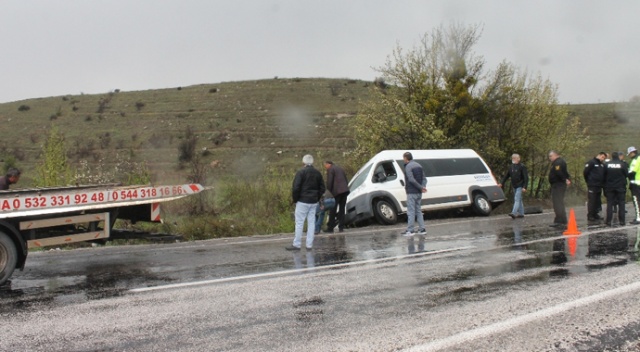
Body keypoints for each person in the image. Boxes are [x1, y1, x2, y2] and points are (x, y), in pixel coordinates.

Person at [287, 155, 326, 251]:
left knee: (299, 223)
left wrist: (295, 199)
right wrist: (317, 197)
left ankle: (297, 244)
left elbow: (296, 188)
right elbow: (322, 188)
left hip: (302, 201)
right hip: (313, 202)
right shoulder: (318, 173)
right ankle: (309, 245)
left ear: (303, 162)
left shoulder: (301, 172)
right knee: (311, 222)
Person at [401, 152, 427, 236]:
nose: (403, 160)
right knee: (418, 210)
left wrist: (420, 187)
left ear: (406, 158)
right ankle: (422, 229)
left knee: (411, 211)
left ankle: (410, 230)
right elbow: (424, 179)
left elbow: (411, 179)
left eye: (403, 158)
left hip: (411, 192)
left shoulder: (408, 166)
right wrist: (422, 187)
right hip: (419, 193)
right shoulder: (419, 165)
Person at [498, 153, 529, 219]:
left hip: (520, 185)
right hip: (514, 185)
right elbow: (506, 176)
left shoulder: (522, 166)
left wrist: (525, 186)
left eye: (515, 158)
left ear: (518, 159)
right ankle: (521, 213)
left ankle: (513, 212)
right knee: (519, 199)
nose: (513, 159)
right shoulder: (511, 167)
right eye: (513, 158)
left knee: (517, 199)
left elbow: (526, 177)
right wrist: (501, 183)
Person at [323, 161, 350, 233]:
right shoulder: (340, 168)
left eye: (325, 165)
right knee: (342, 209)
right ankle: (341, 227)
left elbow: (329, 181)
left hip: (337, 192)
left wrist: (328, 192)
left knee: (332, 210)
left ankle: (330, 228)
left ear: (328, 164)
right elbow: (346, 180)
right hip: (344, 191)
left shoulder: (331, 169)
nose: (325, 167)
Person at [548, 150, 571, 228]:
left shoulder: (558, 162)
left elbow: (559, 172)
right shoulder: (560, 162)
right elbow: (565, 172)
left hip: (558, 185)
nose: (550, 158)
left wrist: (565, 179)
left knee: (557, 203)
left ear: (555, 155)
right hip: (558, 184)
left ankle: (560, 220)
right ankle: (562, 219)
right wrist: (567, 178)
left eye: (551, 156)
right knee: (559, 202)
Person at [604, 152, 628, 227]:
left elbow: (604, 174)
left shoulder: (607, 164)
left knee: (610, 203)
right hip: (620, 186)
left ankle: (608, 221)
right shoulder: (622, 164)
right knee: (621, 204)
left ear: (612, 156)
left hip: (610, 186)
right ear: (618, 156)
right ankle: (622, 221)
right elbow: (626, 174)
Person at [583, 152, 606, 222]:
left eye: (604, 158)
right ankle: (590, 215)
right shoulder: (591, 162)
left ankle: (596, 214)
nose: (603, 159)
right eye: (602, 157)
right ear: (598, 155)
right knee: (592, 200)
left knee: (597, 200)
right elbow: (585, 172)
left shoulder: (602, 164)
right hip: (592, 184)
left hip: (599, 185)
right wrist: (589, 181)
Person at [627, 147, 640, 224]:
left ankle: (638, 218)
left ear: (632, 153)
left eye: (629, 154)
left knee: (637, 201)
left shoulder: (636, 160)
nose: (629, 156)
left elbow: (632, 172)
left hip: (636, 184)